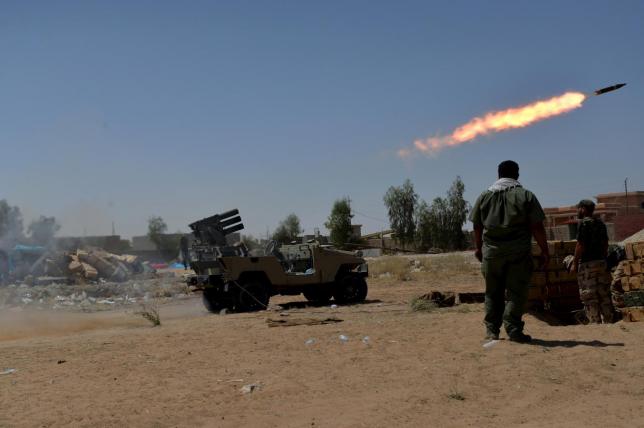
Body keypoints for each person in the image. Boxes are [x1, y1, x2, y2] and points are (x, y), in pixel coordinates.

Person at [470, 160, 549, 343]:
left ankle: (492, 331)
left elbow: (476, 225)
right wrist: (545, 250)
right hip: (518, 253)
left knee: (492, 292)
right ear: (517, 175)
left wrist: (478, 247)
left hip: (492, 253)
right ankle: (513, 329)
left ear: (498, 174)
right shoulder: (526, 196)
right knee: (517, 292)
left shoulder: (484, 196)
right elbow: (537, 226)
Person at [570, 199, 613, 323]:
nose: (577, 211)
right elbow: (606, 243)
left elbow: (580, 245)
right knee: (604, 294)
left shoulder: (583, 223)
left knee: (589, 296)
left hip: (588, 264)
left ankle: (595, 322)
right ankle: (609, 321)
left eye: (578, 208)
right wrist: (604, 260)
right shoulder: (600, 223)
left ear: (583, 209)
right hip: (601, 263)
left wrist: (574, 263)